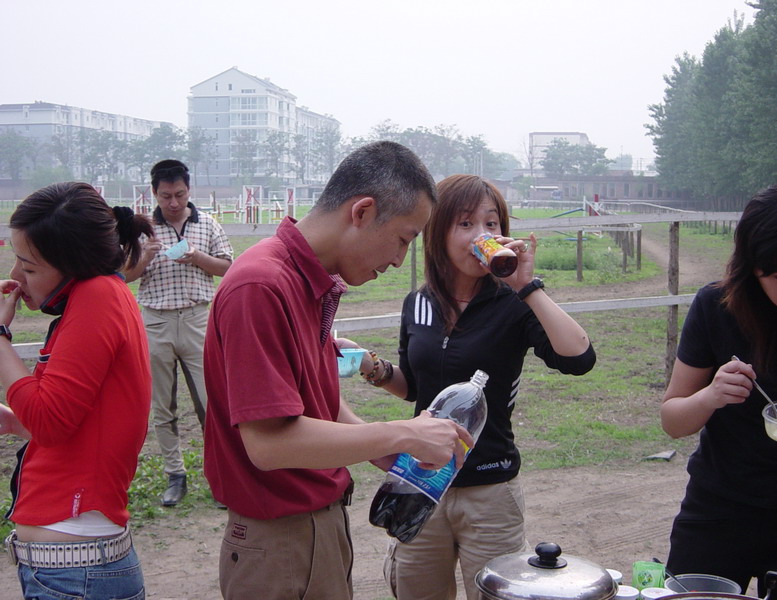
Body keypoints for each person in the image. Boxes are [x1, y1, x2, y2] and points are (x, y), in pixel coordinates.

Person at [203, 141, 474, 600]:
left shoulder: (304, 279)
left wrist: (389, 456)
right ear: (363, 212)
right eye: (405, 238)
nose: (398, 260)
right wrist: (403, 433)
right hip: (281, 543)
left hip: (311, 530)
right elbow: (270, 444)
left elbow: (314, 404)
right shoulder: (262, 285)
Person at [340, 174, 596, 600]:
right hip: (420, 482)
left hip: (490, 491)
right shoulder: (417, 303)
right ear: (438, 233)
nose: (483, 235)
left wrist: (527, 287)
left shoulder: (515, 303)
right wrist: (371, 365)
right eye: (466, 224)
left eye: (492, 224)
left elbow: (579, 359)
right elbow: (416, 389)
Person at [0, 182, 153, 600]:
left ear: (74, 266)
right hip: (75, 567)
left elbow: (50, 420)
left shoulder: (97, 296)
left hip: (76, 569)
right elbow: (83, 424)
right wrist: (15, 422)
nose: (16, 278)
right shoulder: (100, 296)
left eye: (29, 269)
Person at [661, 182, 777, 596]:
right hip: (720, 508)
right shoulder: (717, 308)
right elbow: (672, 421)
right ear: (751, 267)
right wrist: (711, 395)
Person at [124, 159, 233, 507]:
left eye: (180, 194)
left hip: (198, 319)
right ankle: (175, 475)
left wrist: (197, 256)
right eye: (166, 195)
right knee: (163, 404)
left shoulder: (208, 224)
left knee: (211, 402)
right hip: (155, 321)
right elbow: (122, 276)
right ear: (154, 193)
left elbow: (228, 268)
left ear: (190, 190)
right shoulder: (141, 230)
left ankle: (221, 475)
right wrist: (144, 256)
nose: (173, 202)